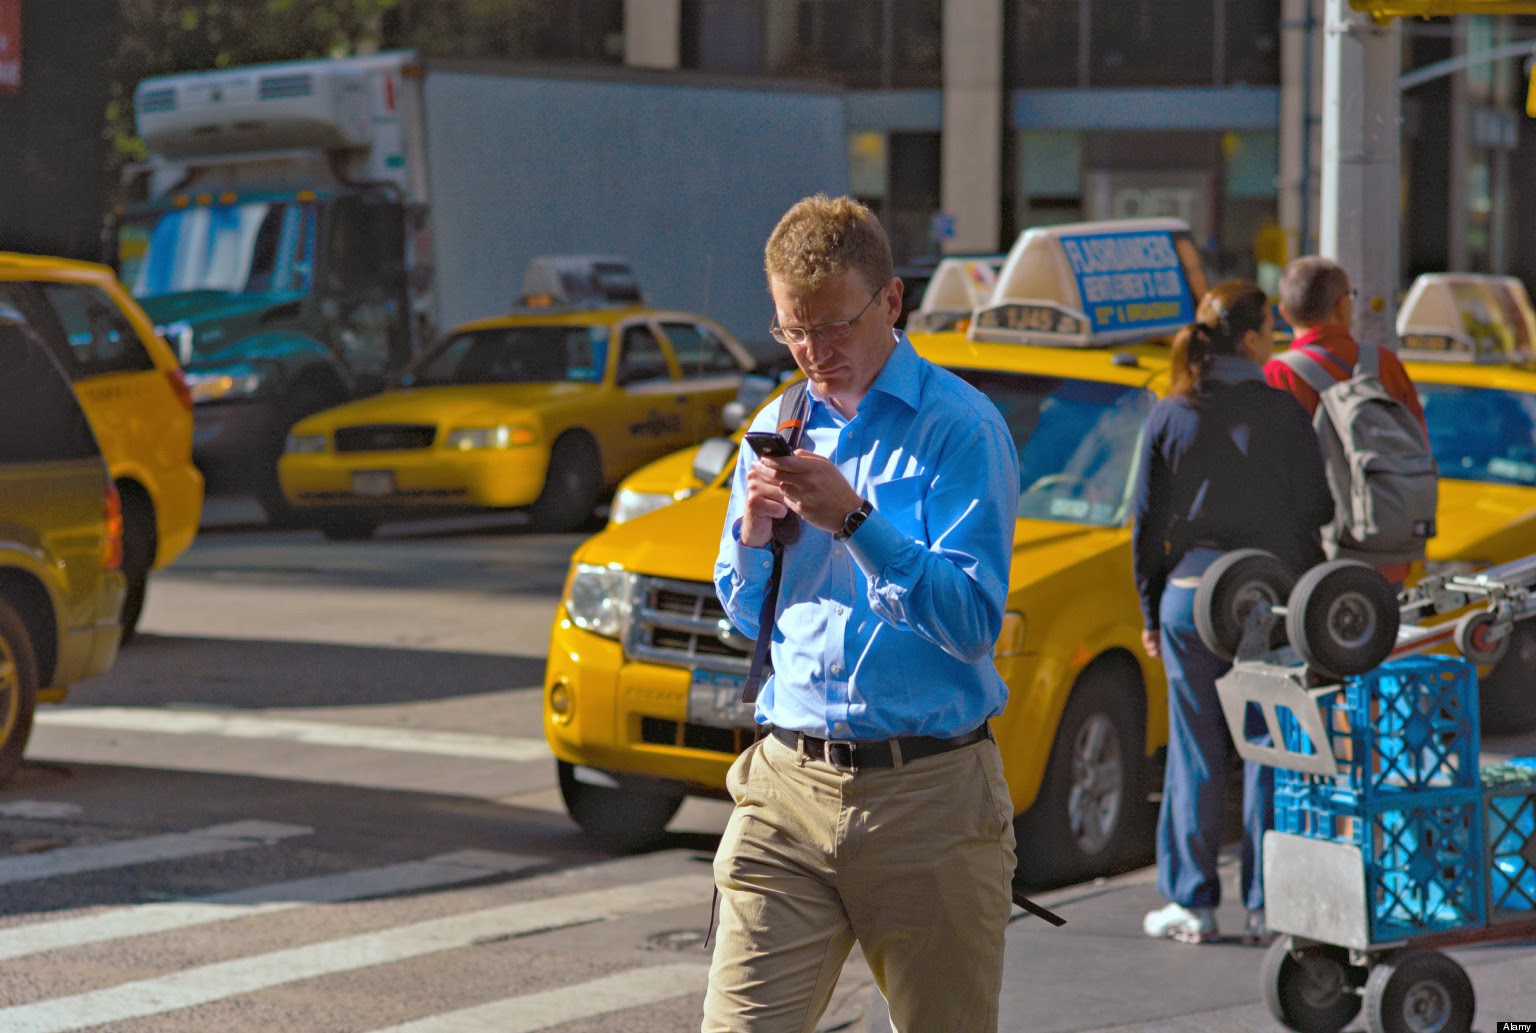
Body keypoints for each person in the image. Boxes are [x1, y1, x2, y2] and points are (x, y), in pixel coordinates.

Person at [706, 195, 1020, 1032]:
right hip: (786, 782)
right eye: (792, 332)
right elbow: (746, 613)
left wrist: (856, 522)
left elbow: (971, 623)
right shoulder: (782, 419)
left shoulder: (960, 429)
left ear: (891, 301)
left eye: (835, 327)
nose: (815, 353)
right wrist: (753, 533)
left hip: (927, 794)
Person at [1131, 280, 1333, 944]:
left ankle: (1193, 903)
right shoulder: (1283, 412)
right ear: (1251, 340)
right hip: (1269, 595)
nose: (1275, 341)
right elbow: (1318, 512)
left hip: (1190, 596)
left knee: (1195, 749)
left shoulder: (1171, 412)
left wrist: (1151, 610)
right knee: (1270, 749)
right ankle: (1265, 907)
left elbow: (1145, 525)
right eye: (1271, 331)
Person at [1264, 256, 1427, 585]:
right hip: (1385, 550)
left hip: (1310, 561)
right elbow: (1419, 443)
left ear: (1283, 312)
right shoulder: (1385, 364)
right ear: (1342, 306)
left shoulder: (1277, 373)